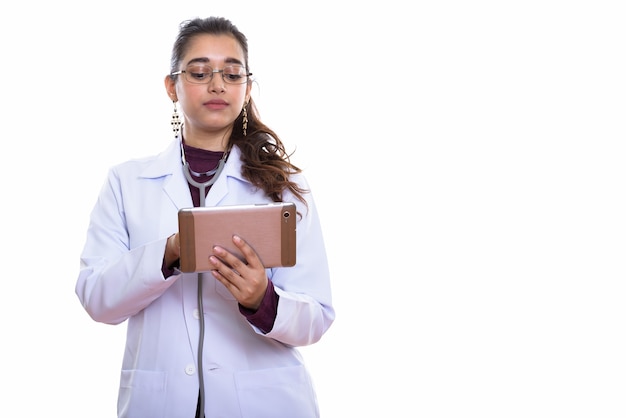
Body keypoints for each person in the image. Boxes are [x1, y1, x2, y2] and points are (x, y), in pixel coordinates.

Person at [75, 16, 334, 418]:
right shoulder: (127, 182)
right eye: (199, 72)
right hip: (157, 401)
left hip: (265, 402)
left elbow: (316, 316)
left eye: (232, 73)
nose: (217, 84)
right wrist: (169, 253)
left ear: (246, 88)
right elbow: (96, 297)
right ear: (171, 87)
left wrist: (261, 300)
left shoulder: (283, 186)